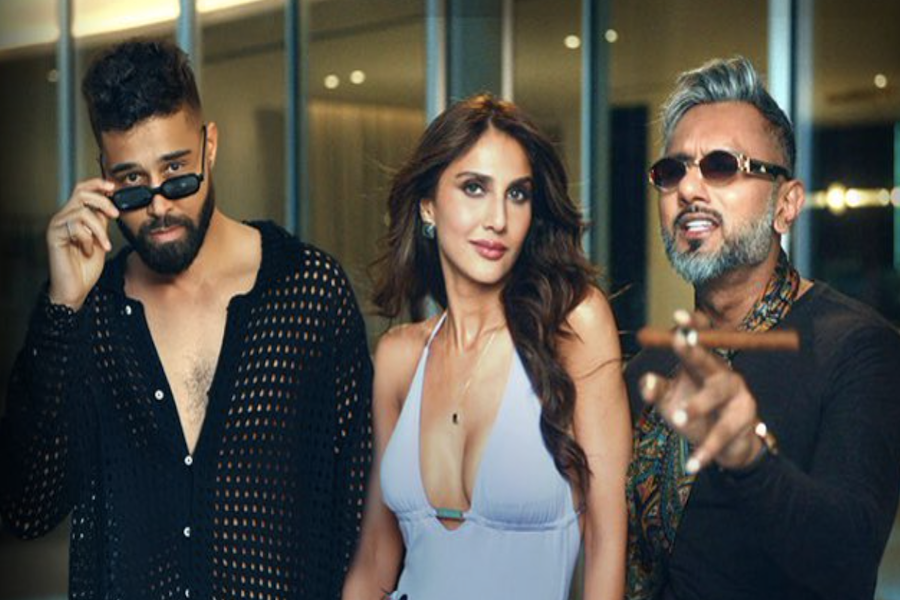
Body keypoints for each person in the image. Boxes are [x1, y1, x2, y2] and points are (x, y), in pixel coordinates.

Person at [0, 39, 372, 599]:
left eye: (176, 171)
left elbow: (358, 512)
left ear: (209, 146)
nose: (159, 206)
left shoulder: (308, 292)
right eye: (132, 182)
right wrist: (62, 306)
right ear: (103, 176)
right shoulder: (90, 313)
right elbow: (27, 507)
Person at [625, 56, 900, 600]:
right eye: (672, 171)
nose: (688, 188)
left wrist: (749, 460)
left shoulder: (858, 349)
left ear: (787, 204)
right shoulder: (648, 371)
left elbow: (848, 563)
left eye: (722, 166)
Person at [341, 94, 631, 600]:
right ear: (428, 205)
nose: (498, 218)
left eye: (517, 194)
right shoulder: (398, 358)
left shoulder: (573, 327)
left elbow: (606, 539)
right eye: (474, 188)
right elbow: (376, 558)